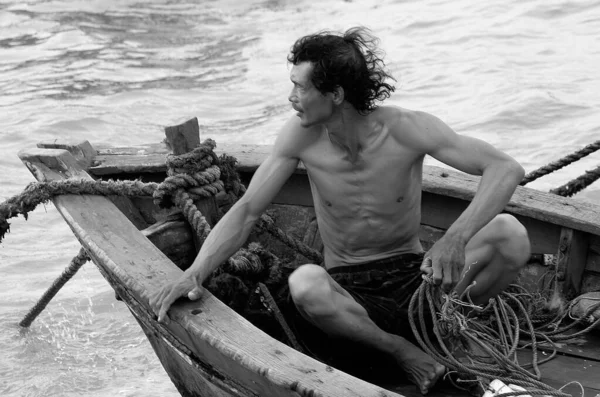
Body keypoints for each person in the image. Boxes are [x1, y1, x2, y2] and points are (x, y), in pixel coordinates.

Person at [150, 27, 531, 395]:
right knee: (305, 284)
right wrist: (194, 273)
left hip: (418, 279)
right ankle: (401, 351)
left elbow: (505, 169)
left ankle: (447, 329)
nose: (291, 97)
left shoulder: (405, 128)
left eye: (300, 87)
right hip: (349, 293)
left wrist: (455, 238)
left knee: (510, 233)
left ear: (334, 93)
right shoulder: (300, 136)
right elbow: (247, 209)